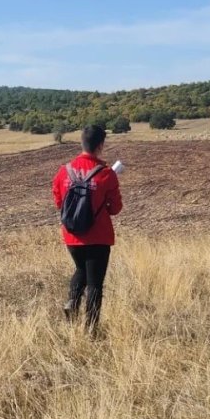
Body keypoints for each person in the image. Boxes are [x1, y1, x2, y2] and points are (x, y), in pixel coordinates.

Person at [52, 125, 123, 332]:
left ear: (81, 142)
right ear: (100, 145)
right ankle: (91, 329)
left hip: (72, 235)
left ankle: (72, 302)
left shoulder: (64, 171)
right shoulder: (107, 174)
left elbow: (59, 202)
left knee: (81, 268)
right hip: (99, 236)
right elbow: (116, 208)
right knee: (95, 284)